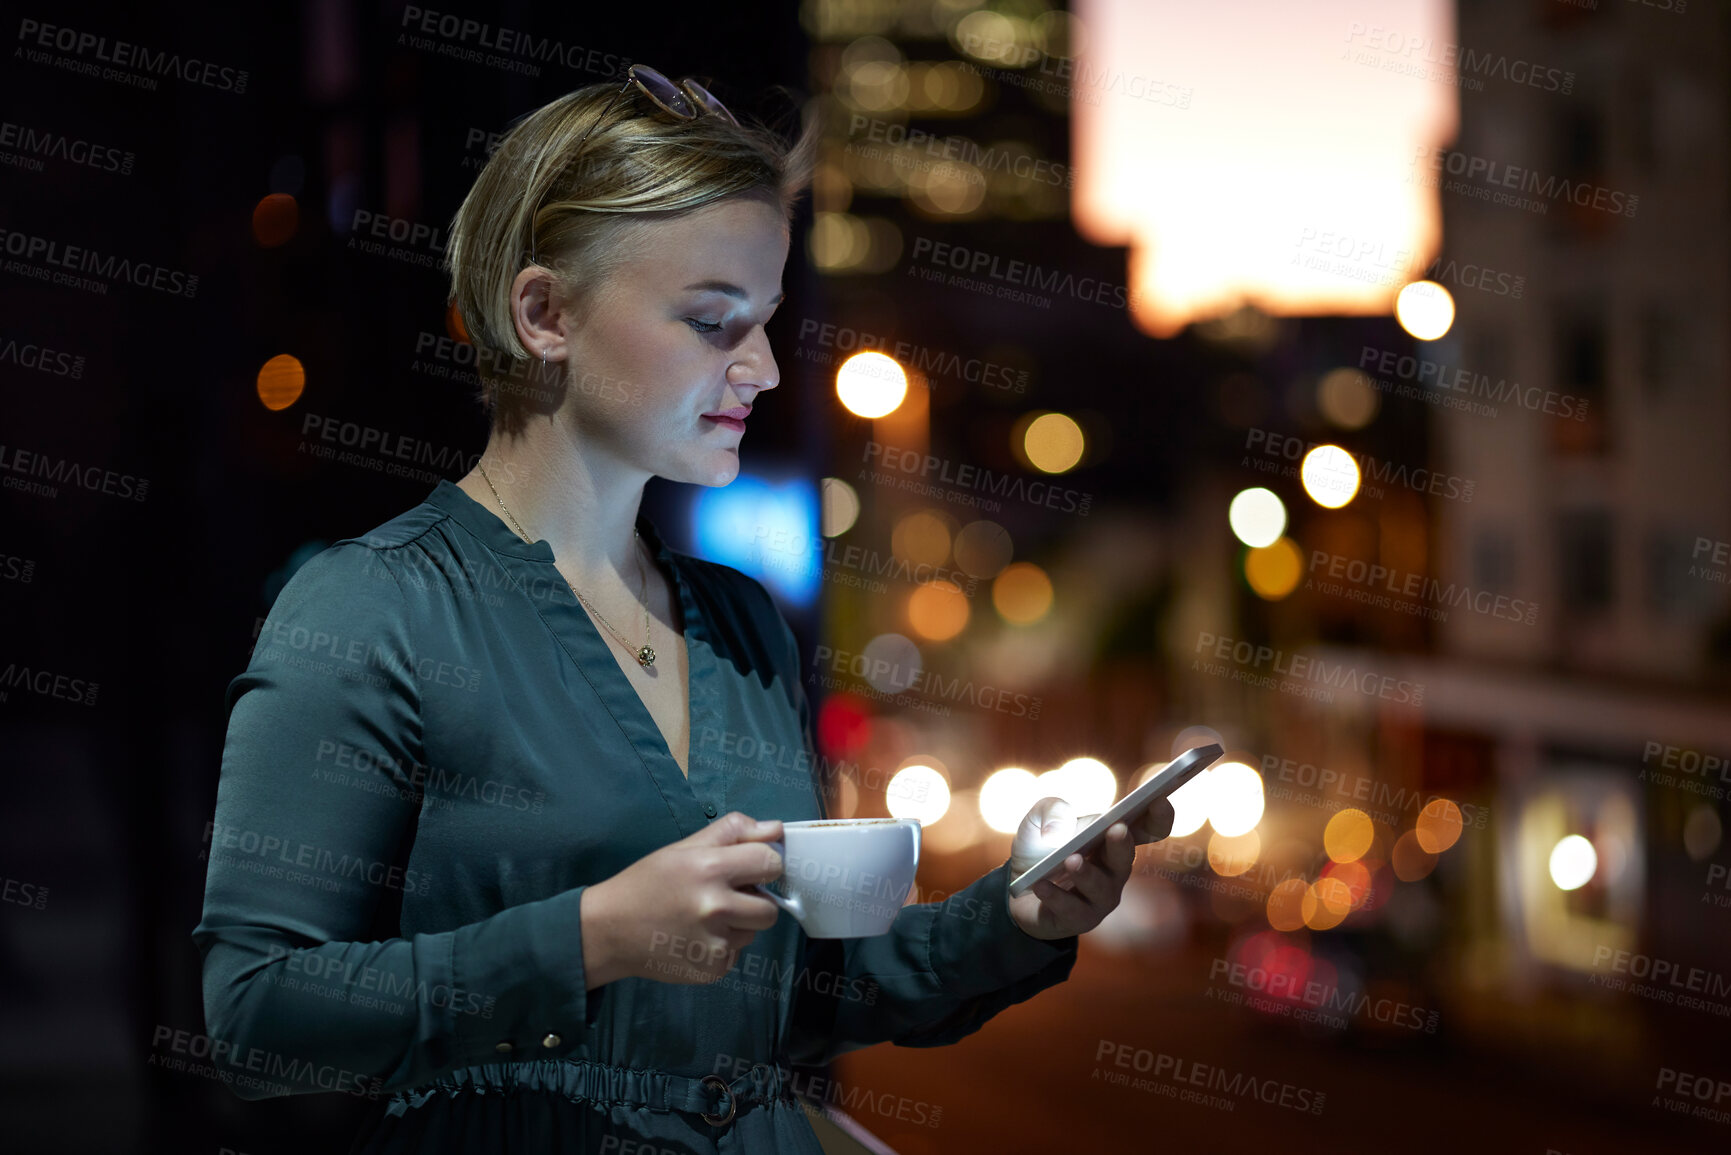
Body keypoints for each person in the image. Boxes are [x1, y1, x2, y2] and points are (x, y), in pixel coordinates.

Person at [193, 66, 1175, 1153]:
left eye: (763, 321)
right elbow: (256, 1013)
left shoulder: (743, 627)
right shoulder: (375, 609)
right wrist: (590, 939)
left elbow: (792, 1001)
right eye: (713, 322)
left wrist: (1019, 916)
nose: (757, 366)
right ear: (544, 313)